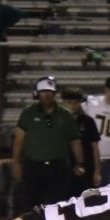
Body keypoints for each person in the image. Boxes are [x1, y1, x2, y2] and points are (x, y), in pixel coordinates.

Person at [11, 76, 85, 208]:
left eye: (50, 92)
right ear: (37, 94)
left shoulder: (66, 115)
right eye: (43, 92)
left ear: (55, 94)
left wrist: (79, 162)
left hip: (58, 166)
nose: (47, 95)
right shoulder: (28, 113)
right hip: (34, 165)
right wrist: (16, 162)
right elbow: (19, 140)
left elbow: (75, 140)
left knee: (58, 204)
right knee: (32, 203)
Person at [60, 86, 101, 195]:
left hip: (85, 166)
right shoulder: (57, 120)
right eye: (69, 102)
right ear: (63, 102)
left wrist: (97, 171)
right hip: (63, 166)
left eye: (76, 102)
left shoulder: (88, 121)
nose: (72, 106)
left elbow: (95, 147)